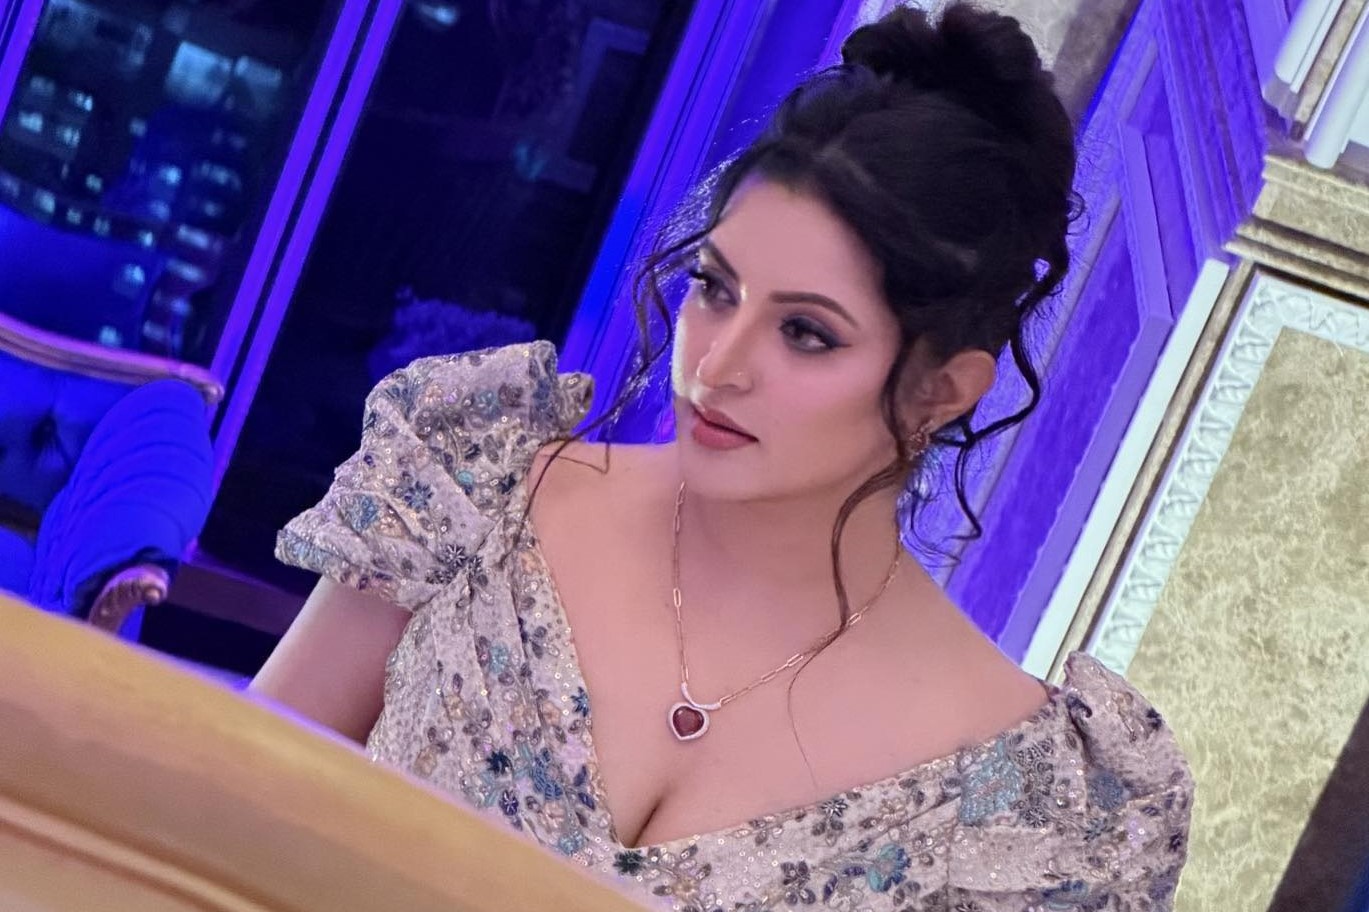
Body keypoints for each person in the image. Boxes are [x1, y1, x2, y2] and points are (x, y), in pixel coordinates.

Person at [252, 4, 1194, 909]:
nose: (716, 366)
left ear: (941, 390)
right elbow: (224, 801)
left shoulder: (1028, 798)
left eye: (806, 333)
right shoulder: (476, 486)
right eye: (714, 288)